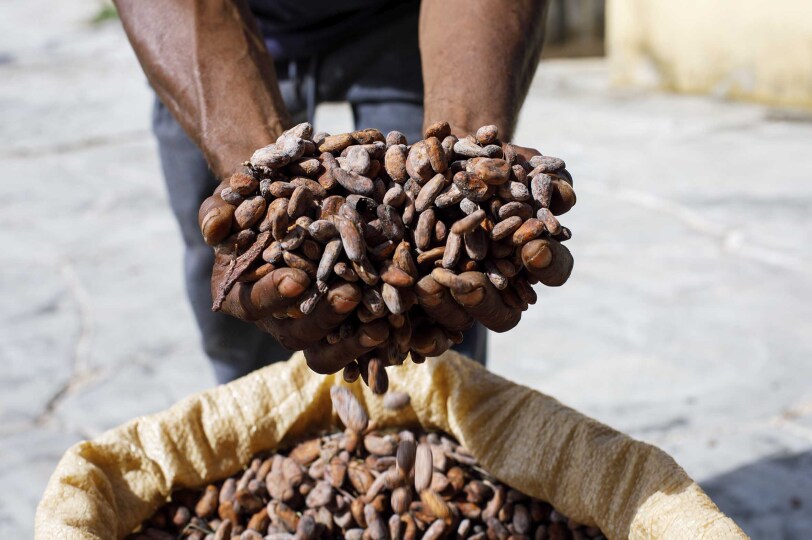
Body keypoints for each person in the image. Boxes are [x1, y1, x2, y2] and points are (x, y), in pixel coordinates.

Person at [115, 0, 571, 383]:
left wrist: (467, 150)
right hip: (211, 24)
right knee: (240, 284)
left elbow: (449, 175)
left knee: (437, 323)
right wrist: (257, 170)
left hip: (408, 22)